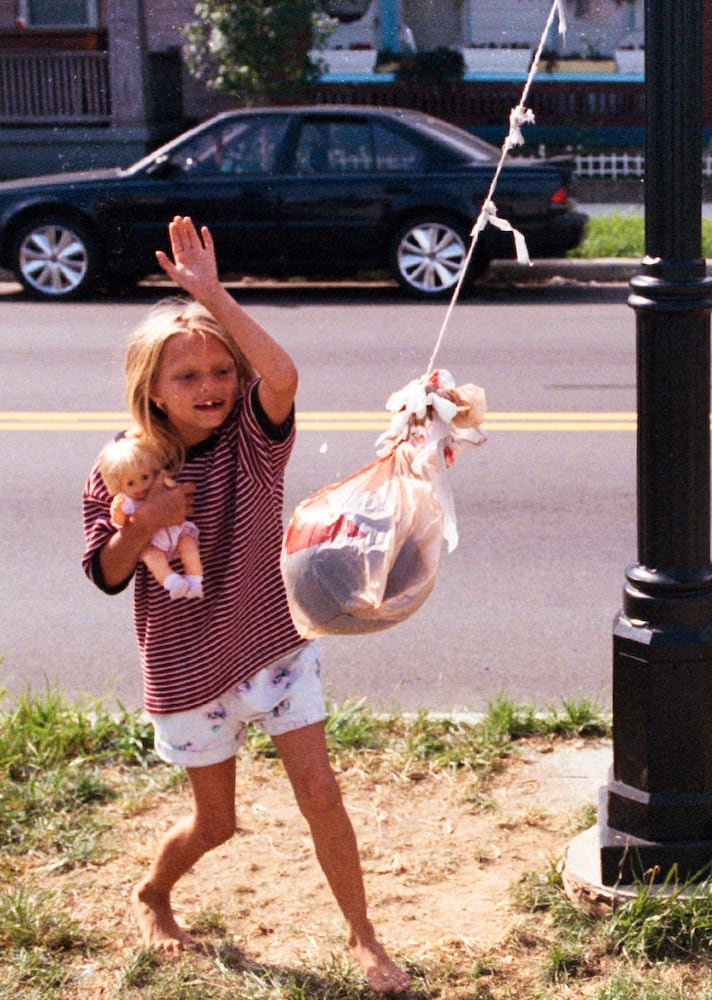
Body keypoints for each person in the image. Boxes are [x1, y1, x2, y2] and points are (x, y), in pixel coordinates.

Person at [80, 216, 417, 993]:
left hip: (274, 642)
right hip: (185, 664)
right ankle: (154, 892)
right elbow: (104, 573)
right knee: (217, 824)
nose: (210, 388)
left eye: (219, 371)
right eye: (187, 378)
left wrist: (210, 294)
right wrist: (149, 524)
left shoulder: (252, 437)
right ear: (152, 394)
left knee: (322, 793)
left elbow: (283, 376)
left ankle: (366, 941)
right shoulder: (119, 469)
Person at [97, 435, 204, 600]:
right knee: (152, 557)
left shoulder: (159, 485)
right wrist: (120, 512)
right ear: (119, 486)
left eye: (145, 478)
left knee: (188, 544)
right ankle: (172, 582)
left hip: (176, 531)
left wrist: (175, 487)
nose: (140, 487)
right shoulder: (127, 502)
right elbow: (120, 522)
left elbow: (177, 489)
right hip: (153, 542)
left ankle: (195, 580)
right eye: (131, 484)